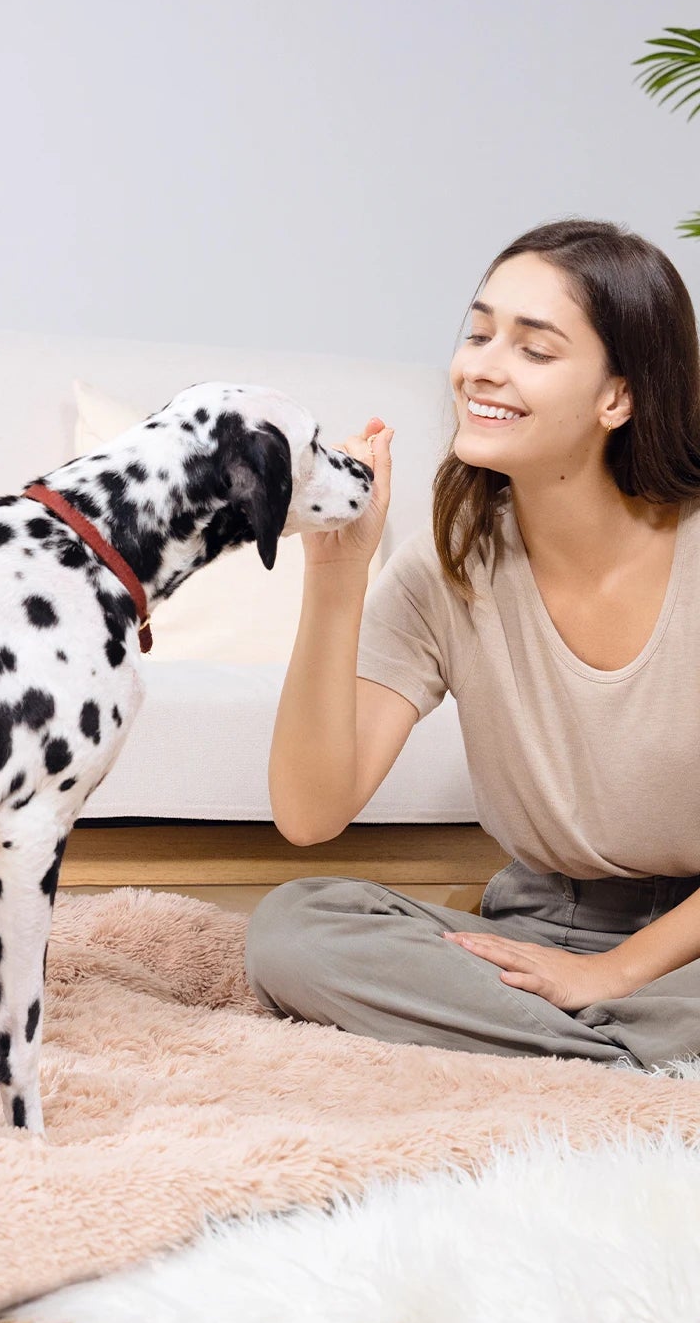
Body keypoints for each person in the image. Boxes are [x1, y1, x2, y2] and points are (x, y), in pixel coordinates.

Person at [248, 217, 700, 1070]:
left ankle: (580, 1045)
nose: (482, 367)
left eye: (535, 348)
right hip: (542, 926)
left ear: (618, 396)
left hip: (689, 944)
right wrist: (337, 576)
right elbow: (309, 814)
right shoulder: (449, 564)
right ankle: (640, 1054)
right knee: (293, 929)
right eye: (479, 333)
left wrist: (610, 974)